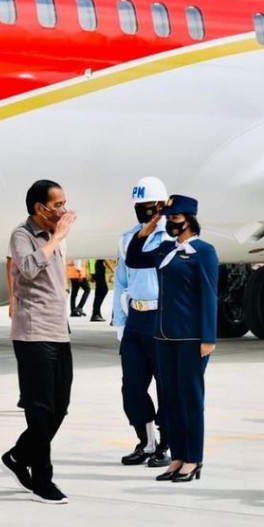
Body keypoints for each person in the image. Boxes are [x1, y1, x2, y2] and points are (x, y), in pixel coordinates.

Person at [125, 194, 218, 483]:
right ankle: (177, 457)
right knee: (172, 400)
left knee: (191, 400)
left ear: (189, 220)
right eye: (168, 219)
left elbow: (209, 294)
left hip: (192, 337)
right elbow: (134, 258)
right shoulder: (165, 249)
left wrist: (208, 337)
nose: (170, 223)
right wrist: (145, 232)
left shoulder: (203, 251)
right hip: (163, 336)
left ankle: (193, 459)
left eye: (175, 219)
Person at [0, 179, 76, 504]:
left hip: (59, 331)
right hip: (32, 333)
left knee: (60, 406)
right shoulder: (22, 235)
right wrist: (56, 237)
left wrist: (57, 238)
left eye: (63, 203)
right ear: (39, 208)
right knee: (40, 410)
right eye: (57, 205)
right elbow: (27, 268)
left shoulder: (56, 238)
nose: (63, 210)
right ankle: (43, 480)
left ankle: (19, 454)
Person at [113, 177, 171, 468]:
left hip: (163, 318)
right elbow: (120, 282)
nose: (143, 212)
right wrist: (120, 324)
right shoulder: (127, 239)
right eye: (138, 206)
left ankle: (166, 444)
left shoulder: (171, 238)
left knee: (166, 385)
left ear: (161, 206)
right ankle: (145, 441)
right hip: (136, 318)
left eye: (148, 207)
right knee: (132, 385)